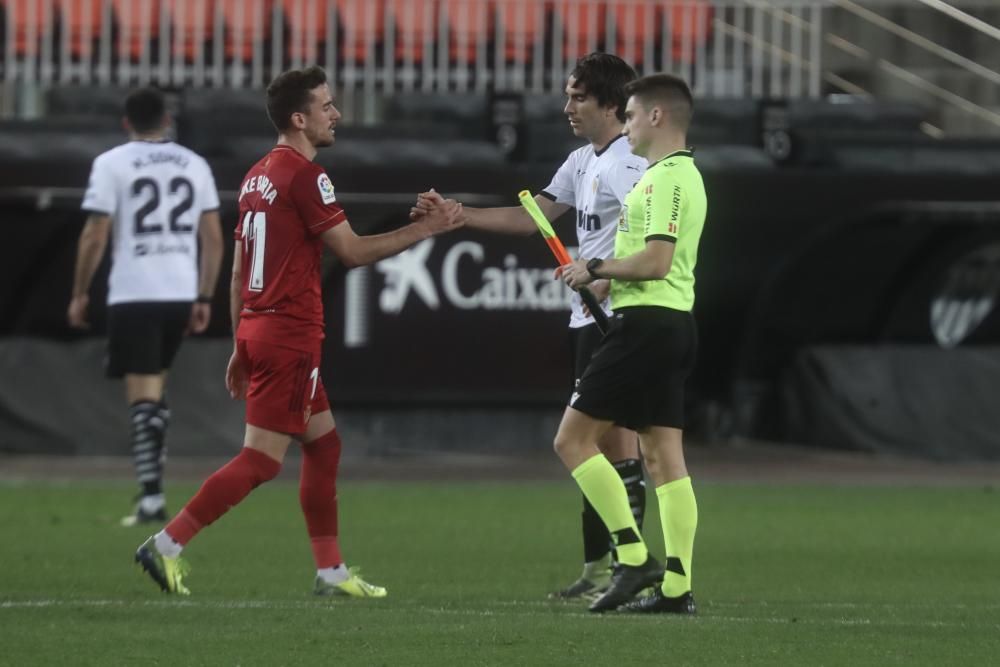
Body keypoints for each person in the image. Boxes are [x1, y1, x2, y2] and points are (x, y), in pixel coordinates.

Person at [133, 66, 461, 598]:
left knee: (324, 446)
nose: (336, 115)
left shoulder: (258, 174)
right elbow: (352, 252)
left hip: (263, 331)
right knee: (261, 460)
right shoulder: (307, 176)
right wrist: (426, 228)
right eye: (327, 106)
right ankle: (167, 542)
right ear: (299, 118)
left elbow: (241, 270)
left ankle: (330, 572)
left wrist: (240, 342)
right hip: (289, 334)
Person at [411, 52, 648, 601]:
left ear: (610, 104)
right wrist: (460, 215)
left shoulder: (629, 163)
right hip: (585, 318)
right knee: (598, 448)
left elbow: (651, 232)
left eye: (578, 97)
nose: (567, 106)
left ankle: (630, 570)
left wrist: (607, 278)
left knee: (610, 446)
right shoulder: (582, 160)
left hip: (617, 319)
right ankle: (600, 569)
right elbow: (532, 216)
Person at [557, 72, 706, 614]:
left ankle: (634, 554)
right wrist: (603, 278)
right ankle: (676, 587)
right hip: (669, 323)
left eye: (635, 114)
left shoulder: (667, 178)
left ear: (658, 117)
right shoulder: (668, 175)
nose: (628, 123)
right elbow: (651, 263)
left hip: (646, 327)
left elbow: (658, 261)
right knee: (664, 458)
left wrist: (594, 264)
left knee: (572, 442)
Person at [68, 87, 224, 527]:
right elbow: (212, 236)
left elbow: (95, 234)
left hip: (135, 291)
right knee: (155, 394)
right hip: (179, 290)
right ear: (167, 121)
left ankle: (152, 498)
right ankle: (152, 491)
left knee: (143, 401)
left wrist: (80, 291)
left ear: (126, 122)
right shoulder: (195, 164)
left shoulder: (111, 163)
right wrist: (204, 295)